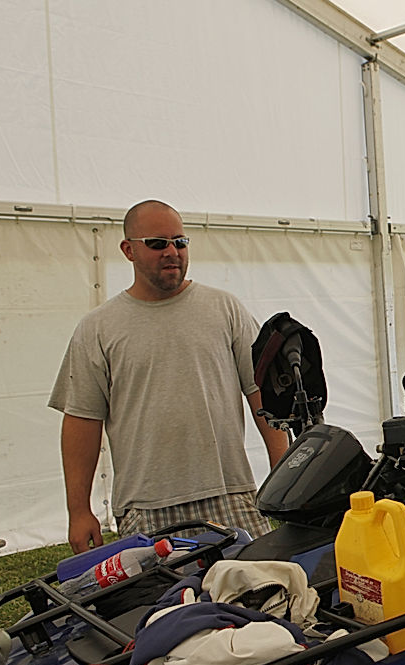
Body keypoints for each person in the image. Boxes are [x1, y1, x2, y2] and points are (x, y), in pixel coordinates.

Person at [49, 200, 289, 553]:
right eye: (158, 243)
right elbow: (82, 420)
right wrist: (79, 510)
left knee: (261, 595)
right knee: (159, 607)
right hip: (145, 508)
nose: (172, 252)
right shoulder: (97, 329)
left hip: (230, 495)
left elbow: (262, 394)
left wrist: (282, 469)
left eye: (180, 242)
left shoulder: (225, 309)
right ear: (128, 250)